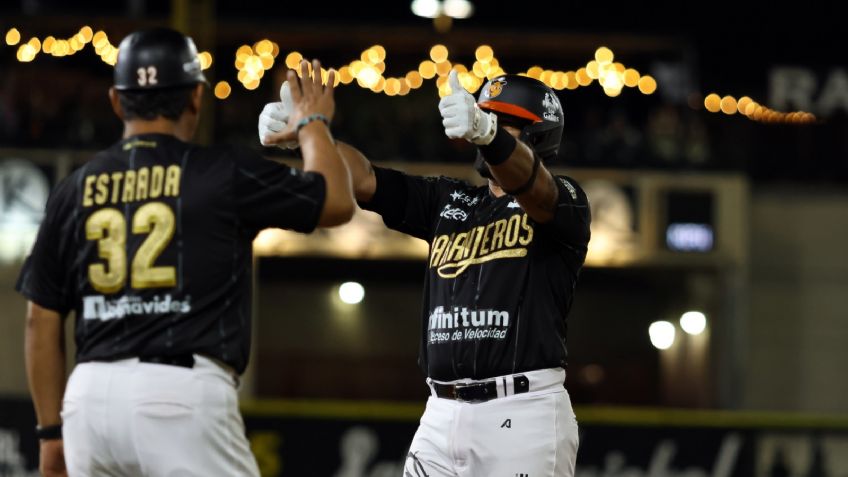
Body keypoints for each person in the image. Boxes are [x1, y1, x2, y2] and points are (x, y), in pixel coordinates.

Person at [18, 27, 353, 477]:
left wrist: (49, 434)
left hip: (89, 400)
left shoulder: (73, 188)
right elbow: (335, 201)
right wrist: (312, 123)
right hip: (179, 392)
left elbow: (40, 317)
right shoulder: (220, 172)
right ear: (196, 97)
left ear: (117, 101)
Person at [259, 69, 591, 476]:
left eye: (501, 120)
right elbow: (364, 177)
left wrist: (489, 135)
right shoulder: (447, 200)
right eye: (481, 113)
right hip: (441, 411)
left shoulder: (565, 203)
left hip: (521, 410)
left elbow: (538, 190)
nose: (480, 125)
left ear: (538, 135)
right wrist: (306, 137)